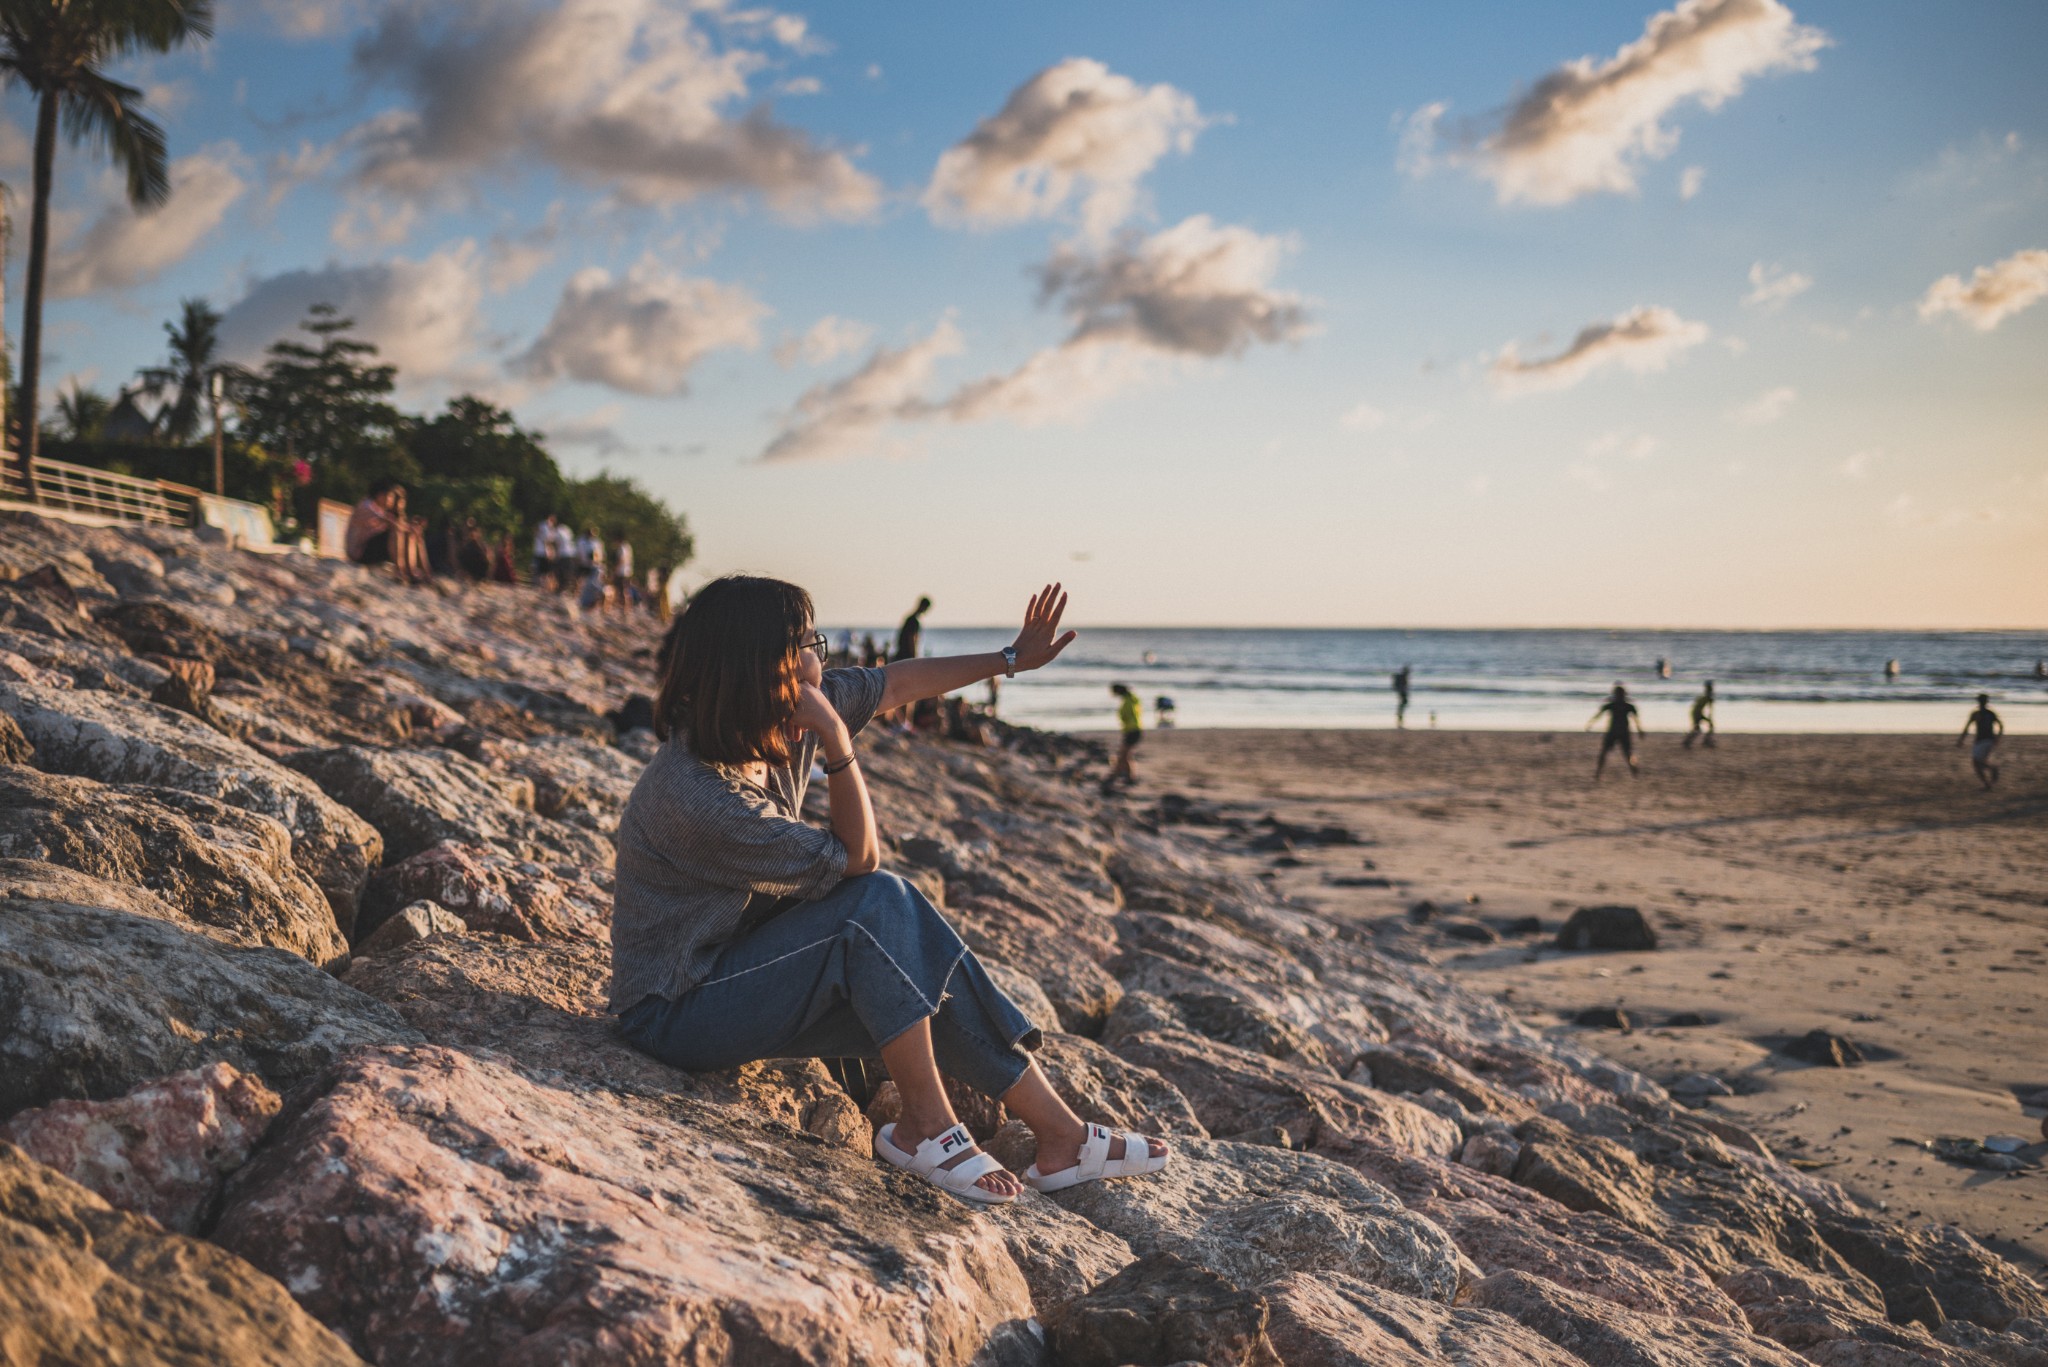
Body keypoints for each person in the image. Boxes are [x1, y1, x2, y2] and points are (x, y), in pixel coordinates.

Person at [611, 578, 1167, 1207]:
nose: (819, 658)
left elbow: (897, 683)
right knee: (876, 903)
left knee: (914, 960)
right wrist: (838, 743)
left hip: (746, 968)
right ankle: (924, 1128)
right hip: (674, 1010)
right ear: (764, 666)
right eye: (807, 644)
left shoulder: (770, 724)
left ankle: (1062, 1137)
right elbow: (858, 859)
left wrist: (1010, 659)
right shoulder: (699, 796)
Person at [345, 478, 428, 583]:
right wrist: (409, 528)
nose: (391, 500)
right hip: (359, 553)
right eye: (390, 496)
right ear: (381, 495)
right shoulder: (367, 505)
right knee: (397, 531)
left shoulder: (378, 508)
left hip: (368, 549)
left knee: (408, 533)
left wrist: (411, 529)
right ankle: (400, 571)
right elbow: (393, 523)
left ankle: (411, 571)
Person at [1587, 683, 1644, 779]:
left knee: (1627, 754)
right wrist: (1591, 723)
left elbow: (1636, 720)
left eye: (1619, 694)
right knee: (1605, 752)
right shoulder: (1616, 705)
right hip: (1614, 732)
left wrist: (1640, 730)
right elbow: (1599, 714)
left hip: (1620, 733)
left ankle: (1634, 770)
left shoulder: (1624, 706)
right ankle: (1598, 773)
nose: (1618, 697)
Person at [1958, 694, 2004, 789]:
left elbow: (1966, 728)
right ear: (1986, 702)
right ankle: (1988, 783)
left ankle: (1992, 771)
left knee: (1976, 763)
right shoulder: (1990, 713)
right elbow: (2001, 726)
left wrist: (1961, 740)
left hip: (1981, 740)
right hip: (1990, 740)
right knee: (1981, 761)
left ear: (1978, 702)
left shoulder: (1976, 714)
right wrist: (1997, 738)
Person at [1107, 683, 1141, 792]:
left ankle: (1116, 776)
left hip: (1132, 731)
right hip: (1134, 730)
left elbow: (1127, 716)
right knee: (1126, 755)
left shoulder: (1127, 701)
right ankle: (1129, 776)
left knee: (1123, 755)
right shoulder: (1132, 698)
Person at [895, 596, 932, 663]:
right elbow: (911, 638)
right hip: (906, 655)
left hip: (903, 653)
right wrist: (914, 656)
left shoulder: (911, 619)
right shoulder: (913, 620)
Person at [1683, 681, 1716, 750]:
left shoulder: (1704, 696)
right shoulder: (1709, 697)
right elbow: (1710, 710)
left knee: (1698, 729)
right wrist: (1709, 719)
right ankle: (1688, 742)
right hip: (1697, 713)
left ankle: (1705, 741)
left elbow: (1696, 704)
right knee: (1698, 729)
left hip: (1696, 712)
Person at [532, 515, 559, 586]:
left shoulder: (545, 526)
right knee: (542, 570)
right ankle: (539, 584)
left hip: (540, 551)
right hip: (543, 552)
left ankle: (538, 584)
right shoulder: (546, 527)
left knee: (539, 570)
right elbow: (548, 540)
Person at [612, 537, 635, 616]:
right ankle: (626, 609)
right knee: (625, 590)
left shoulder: (622, 548)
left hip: (622, 572)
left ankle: (625, 609)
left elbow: (621, 560)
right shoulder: (628, 547)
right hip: (627, 571)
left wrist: (615, 571)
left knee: (622, 590)